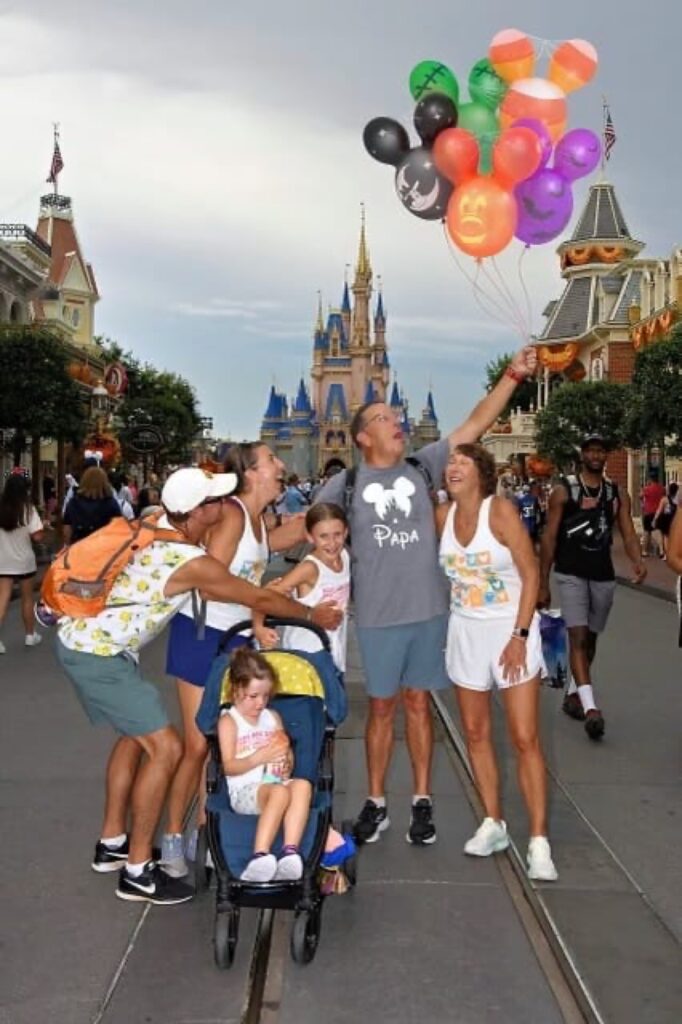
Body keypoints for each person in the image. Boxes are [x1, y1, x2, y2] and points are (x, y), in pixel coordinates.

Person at [55, 467, 342, 905]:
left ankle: (111, 843)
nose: (222, 505)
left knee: (135, 738)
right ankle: (137, 872)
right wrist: (309, 616)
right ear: (198, 513)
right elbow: (258, 598)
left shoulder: (156, 524)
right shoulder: (186, 561)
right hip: (98, 654)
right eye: (214, 501)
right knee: (167, 748)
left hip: (91, 642)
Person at [316, 347, 538, 846]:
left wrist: (512, 375)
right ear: (361, 437)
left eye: (394, 414)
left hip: (430, 612)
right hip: (377, 616)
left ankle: (421, 800)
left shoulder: (423, 464)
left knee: (419, 705)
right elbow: (301, 531)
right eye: (382, 418)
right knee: (380, 709)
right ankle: (376, 802)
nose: (395, 421)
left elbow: (475, 423)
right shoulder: (343, 484)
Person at [161, 443, 312, 877]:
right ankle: (173, 835)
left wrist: (315, 526)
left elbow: (275, 541)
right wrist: (265, 601)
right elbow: (211, 584)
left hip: (235, 640)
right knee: (197, 744)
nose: (281, 465)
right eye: (271, 461)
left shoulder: (258, 520)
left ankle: (208, 832)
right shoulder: (230, 514)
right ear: (250, 474)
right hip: (203, 633)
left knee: (224, 741)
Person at [436, 444, 557, 880]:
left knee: (524, 737)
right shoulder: (442, 518)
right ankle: (493, 822)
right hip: (465, 631)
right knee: (475, 732)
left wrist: (520, 636)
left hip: (510, 630)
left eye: (462, 463)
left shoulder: (500, 512)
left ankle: (539, 840)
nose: (453, 468)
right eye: (450, 463)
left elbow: (531, 573)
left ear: (481, 474)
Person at [538, 434, 646, 741]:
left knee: (591, 639)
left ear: (606, 455)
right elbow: (549, 538)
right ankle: (591, 709)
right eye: (591, 450)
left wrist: (637, 559)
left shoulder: (615, 493)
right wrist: (542, 583)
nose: (596, 455)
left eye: (601, 450)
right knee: (578, 636)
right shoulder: (565, 490)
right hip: (570, 572)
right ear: (582, 454)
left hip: (602, 574)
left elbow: (626, 530)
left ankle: (574, 693)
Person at [218, 647, 312, 882]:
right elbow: (228, 766)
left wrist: (286, 761)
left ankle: (290, 852)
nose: (260, 703)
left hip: (274, 781)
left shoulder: (272, 718)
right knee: (279, 793)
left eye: (265, 696)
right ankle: (260, 855)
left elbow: (286, 753)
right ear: (236, 689)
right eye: (253, 696)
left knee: (302, 786)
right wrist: (260, 757)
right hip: (245, 790)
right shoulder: (230, 722)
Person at [254, 502, 350, 674]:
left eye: (337, 535)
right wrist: (259, 627)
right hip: (306, 653)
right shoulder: (310, 568)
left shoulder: (344, 557)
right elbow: (267, 596)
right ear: (310, 537)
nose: (332, 543)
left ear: (346, 532)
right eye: (323, 536)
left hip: (334, 650)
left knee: (332, 698)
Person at [0, 475, 45, 653]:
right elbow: (37, 536)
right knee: (27, 599)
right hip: (24, 561)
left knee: (2, 599)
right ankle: (30, 635)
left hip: (3, 560)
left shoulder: (1, 508)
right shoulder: (28, 510)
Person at [62, 467, 123, 543]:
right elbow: (118, 529)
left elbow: (67, 531)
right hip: (103, 548)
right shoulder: (111, 504)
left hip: (78, 547)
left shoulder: (73, 502)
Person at [640, 469, 666, 557]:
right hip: (658, 512)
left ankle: (644, 551)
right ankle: (662, 551)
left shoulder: (647, 489)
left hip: (648, 512)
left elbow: (640, 496)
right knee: (658, 531)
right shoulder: (662, 488)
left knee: (647, 531)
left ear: (650, 479)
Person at [652, 482, 678, 560]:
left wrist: (654, 519)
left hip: (666, 519)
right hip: (675, 519)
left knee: (665, 537)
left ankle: (666, 554)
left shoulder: (665, 499)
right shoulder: (678, 500)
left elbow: (659, 510)